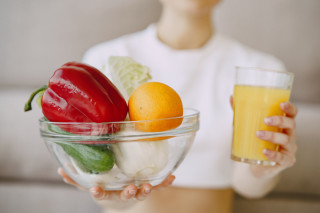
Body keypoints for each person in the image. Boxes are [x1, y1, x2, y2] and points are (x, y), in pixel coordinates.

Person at [58, 0, 298, 212]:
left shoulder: (260, 73)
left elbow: (248, 187)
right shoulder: (105, 61)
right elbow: (109, 188)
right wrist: (115, 197)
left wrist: (263, 169)